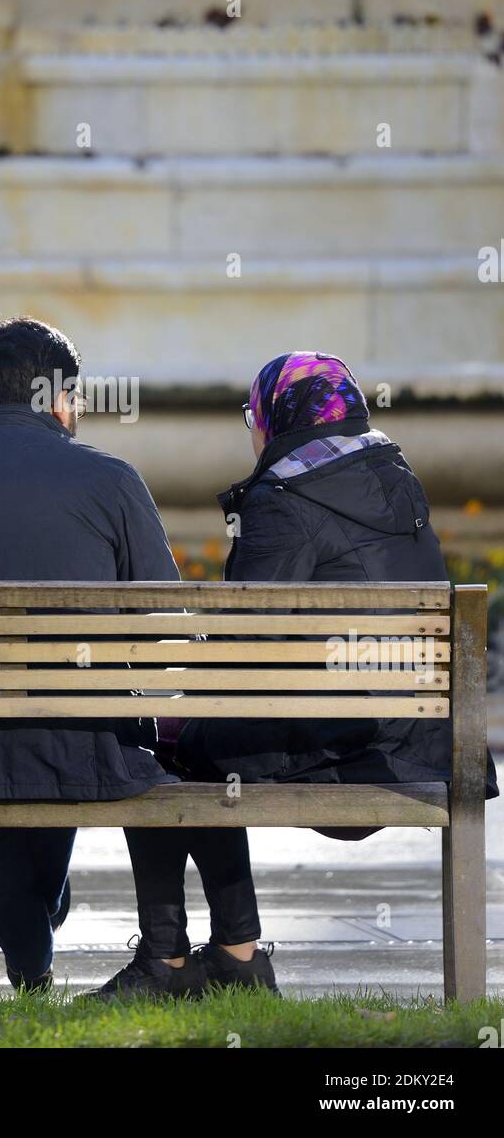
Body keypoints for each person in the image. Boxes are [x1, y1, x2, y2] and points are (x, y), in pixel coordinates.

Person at [93, 350, 498, 1000]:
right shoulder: (395, 477)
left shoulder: (284, 499)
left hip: (345, 749)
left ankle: (172, 963)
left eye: (254, 417)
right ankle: (235, 957)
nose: (253, 432)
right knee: (195, 741)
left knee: (157, 749)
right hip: (423, 744)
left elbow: (242, 644)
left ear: (279, 418)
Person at [0, 316, 182, 994]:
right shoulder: (110, 480)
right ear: (55, 396)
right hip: (86, 746)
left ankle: (19, 927)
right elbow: (163, 615)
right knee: (60, 728)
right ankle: (30, 909)